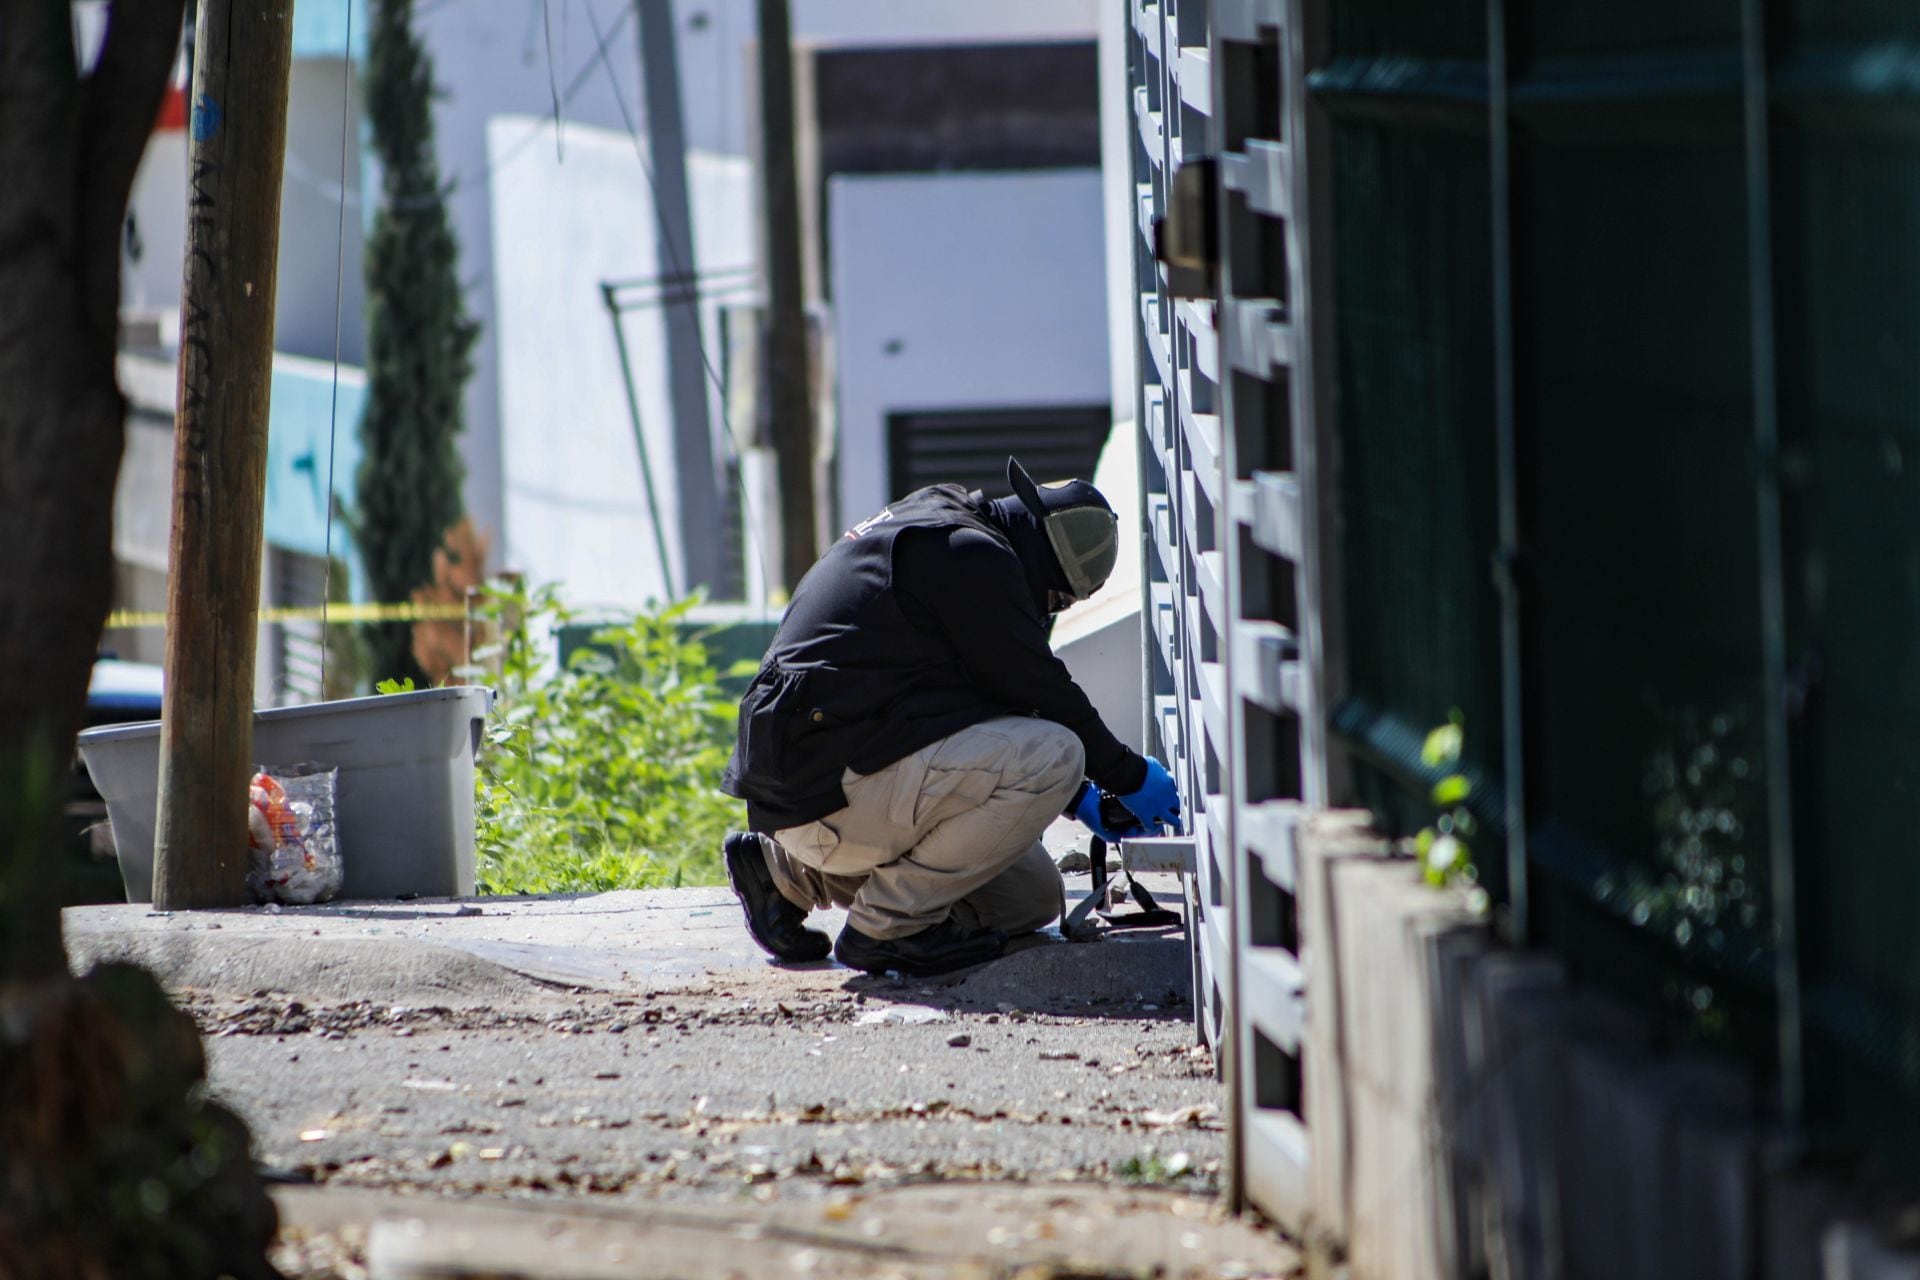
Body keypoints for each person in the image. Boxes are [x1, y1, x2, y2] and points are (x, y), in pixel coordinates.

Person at [719, 456, 1183, 976]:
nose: (1048, 613)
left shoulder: (947, 518)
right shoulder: (969, 556)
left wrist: (1080, 798)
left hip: (824, 772)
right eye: (1056, 600)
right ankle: (887, 929)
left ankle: (785, 877)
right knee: (1057, 755)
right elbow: (1043, 691)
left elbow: (982, 695)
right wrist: (1128, 775)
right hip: (826, 785)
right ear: (1045, 563)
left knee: (1028, 900)